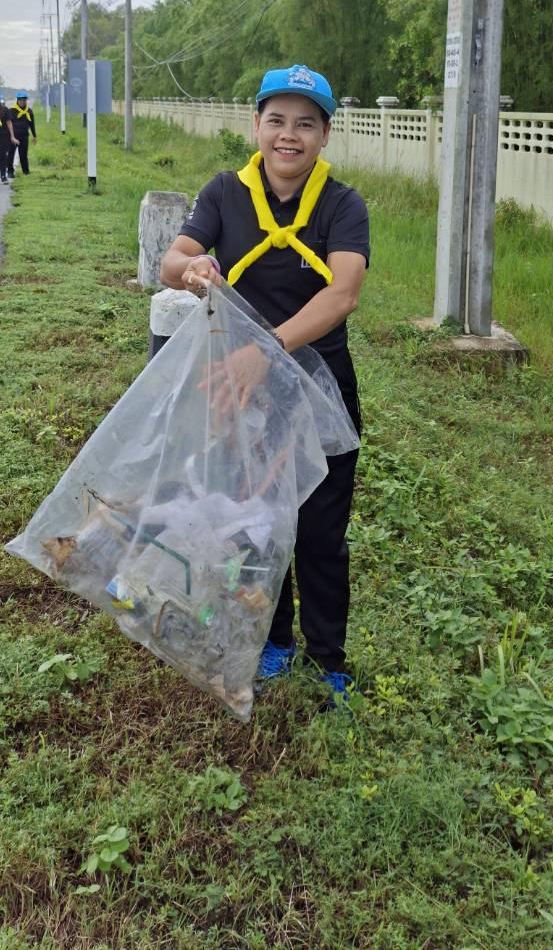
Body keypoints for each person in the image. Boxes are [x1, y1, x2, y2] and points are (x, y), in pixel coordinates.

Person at [160, 64, 369, 705]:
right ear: (256, 125)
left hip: (320, 389)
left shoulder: (342, 205)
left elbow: (342, 293)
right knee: (253, 521)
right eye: (276, 120)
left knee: (321, 531)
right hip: (242, 392)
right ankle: (273, 640)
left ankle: (327, 658)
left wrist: (268, 349)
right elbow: (172, 260)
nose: (288, 135)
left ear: (325, 135)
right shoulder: (225, 193)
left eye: (305, 124)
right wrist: (194, 268)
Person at [7, 91, 37, 176]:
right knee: (11, 154)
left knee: (23, 155)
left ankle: (26, 171)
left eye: (24, 100)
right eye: (21, 100)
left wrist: (34, 136)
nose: (22, 102)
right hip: (13, 136)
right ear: (17, 100)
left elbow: (32, 124)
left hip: (24, 136)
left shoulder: (29, 111)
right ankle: (10, 171)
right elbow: (8, 124)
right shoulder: (11, 110)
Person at [0, 89, 16, 186]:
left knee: (2, 156)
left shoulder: (5, 110)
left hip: (3, 136)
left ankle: (3, 175)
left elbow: (9, 123)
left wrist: (12, 136)